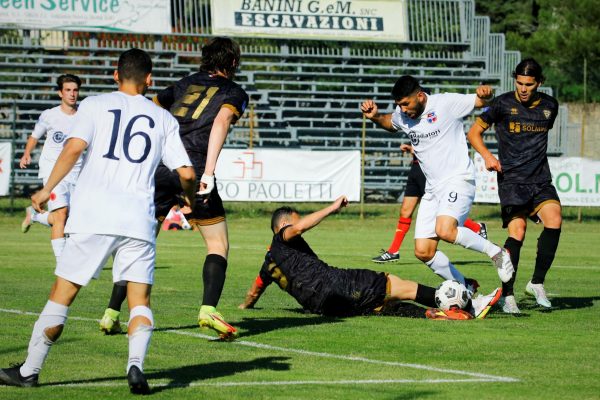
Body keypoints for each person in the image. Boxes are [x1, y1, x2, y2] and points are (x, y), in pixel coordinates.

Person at [0, 48, 196, 394]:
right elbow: (186, 172)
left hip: (93, 216)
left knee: (62, 295)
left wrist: (47, 190)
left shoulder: (94, 104)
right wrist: (190, 198)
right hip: (138, 220)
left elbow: (74, 148)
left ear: (115, 75)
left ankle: (30, 370)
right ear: (150, 80)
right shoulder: (163, 119)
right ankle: (135, 365)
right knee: (140, 300)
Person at [99, 37, 249, 340]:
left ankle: (112, 313)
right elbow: (220, 122)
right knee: (217, 245)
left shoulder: (184, 83)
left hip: (158, 167)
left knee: (138, 243)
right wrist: (208, 173)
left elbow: (149, 107)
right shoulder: (234, 91)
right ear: (232, 63)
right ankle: (208, 310)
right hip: (191, 169)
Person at [360, 75, 514, 291]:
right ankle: (466, 286)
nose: (402, 110)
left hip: (458, 179)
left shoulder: (446, 103)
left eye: (406, 104)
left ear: (420, 96)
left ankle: (497, 253)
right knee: (423, 251)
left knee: (445, 230)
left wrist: (486, 96)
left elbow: (480, 102)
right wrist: (375, 116)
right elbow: (390, 122)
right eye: (399, 105)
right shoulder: (403, 115)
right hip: (432, 190)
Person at [238, 198, 502, 320]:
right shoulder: (284, 234)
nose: (299, 224)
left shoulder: (269, 262)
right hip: (338, 284)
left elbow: (253, 292)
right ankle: (465, 303)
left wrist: (244, 309)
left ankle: (434, 314)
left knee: (381, 306)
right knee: (399, 285)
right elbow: (299, 228)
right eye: (296, 219)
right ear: (283, 224)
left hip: (325, 308)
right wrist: (331, 208)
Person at [467, 58, 561, 313]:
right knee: (517, 232)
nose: (523, 88)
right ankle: (508, 296)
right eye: (519, 83)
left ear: (539, 83)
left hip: (540, 178)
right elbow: (473, 133)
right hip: (512, 180)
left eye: (529, 84)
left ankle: (537, 282)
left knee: (555, 220)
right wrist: (487, 156)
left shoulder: (550, 106)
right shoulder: (502, 104)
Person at [372, 143, 488, 263]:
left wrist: (413, 149)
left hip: (429, 171)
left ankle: (476, 227)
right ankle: (393, 251)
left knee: (440, 210)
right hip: (415, 168)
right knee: (405, 211)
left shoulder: (437, 126)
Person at [19, 74, 82, 263]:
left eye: (75, 90)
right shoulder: (49, 115)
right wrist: (27, 153)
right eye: (68, 90)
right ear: (60, 93)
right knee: (61, 215)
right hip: (53, 171)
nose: (72, 94)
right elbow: (34, 136)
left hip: (77, 172)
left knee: (66, 219)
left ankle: (35, 216)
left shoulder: (84, 116)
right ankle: (62, 264)